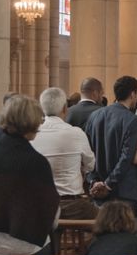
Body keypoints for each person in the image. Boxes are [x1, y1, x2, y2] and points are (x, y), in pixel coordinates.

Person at [0, 95, 59, 255]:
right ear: (32, 123)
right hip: (27, 248)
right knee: (47, 249)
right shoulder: (37, 162)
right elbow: (52, 215)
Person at [31, 87, 98, 219]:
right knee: (105, 218)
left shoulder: (32, 134)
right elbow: (91, 165)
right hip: (73, 205)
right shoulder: (76, 133)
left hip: (40, 205)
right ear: (64, 109)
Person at [86, 76, 137, 210]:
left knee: (101, 230)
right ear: (133, 94)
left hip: (98, 189)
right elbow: (126, 157)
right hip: (123, 191)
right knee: (125, 230)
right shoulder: (133, 120)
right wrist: (108, 184)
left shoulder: (94, 116)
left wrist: (94, 181)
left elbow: (88, 152)